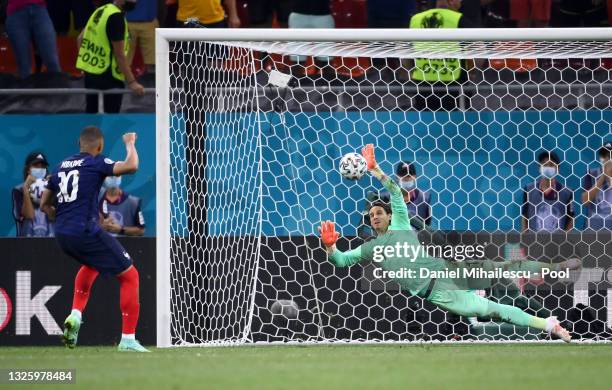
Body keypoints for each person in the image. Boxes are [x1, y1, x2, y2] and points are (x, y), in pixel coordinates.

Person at [319, 144, 574, 342]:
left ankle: (556, 267)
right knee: (496, 310)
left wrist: (376, 171)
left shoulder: (401, 224)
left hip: (450, 270)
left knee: (505, 267)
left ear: (390, 215)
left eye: (379, 213)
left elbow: (396, 192)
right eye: (371, 215)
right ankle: (551, 326)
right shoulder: (371, 247)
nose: (374, 217)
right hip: (440, 293)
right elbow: (341, 261)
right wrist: (330, 247)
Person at [40, 126, 148, 352]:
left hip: (62, 234)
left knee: (92, 264)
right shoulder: (96, 162)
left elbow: (45, 205)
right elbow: (132, 166)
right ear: (98, 147)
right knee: (130, 276)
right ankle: (128, 339)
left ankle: (75, 314)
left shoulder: (60, 167)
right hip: (85, 230)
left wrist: (59, 215)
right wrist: (129, 143)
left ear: (79, 144)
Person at [76, 0, 145, 113]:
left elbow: (80, 38)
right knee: (110, 119)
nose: (134, 1)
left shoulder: (101, 10)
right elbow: (120, 55)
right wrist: (132, 82)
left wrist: (86, 65)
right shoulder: (116, 18)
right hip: (109, 78)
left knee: (91, 117)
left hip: (91, 74)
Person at [407, 0, 476, 111]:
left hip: (423, 83)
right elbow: (476, 47)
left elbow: (406, 50)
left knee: (426, 122)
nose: (461, 3)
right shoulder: (458, 18)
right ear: (451, 1)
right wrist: (473, 72)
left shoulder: (416, 18)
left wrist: (409, 71)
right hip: (454, 84)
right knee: (457, 122)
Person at [5, 0, 61, 79]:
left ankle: (59, 88)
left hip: (40, 9)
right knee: (24, 67)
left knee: (52, 60)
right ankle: (26, 90)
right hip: (16, 11)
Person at [521, 151, 574, 232]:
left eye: (551, 165)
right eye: (544, 165)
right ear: (539, 168)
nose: (548, 167)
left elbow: (570, 219)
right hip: (534, 242)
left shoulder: (567, 192)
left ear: (558, 169)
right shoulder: (529, 189)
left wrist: (565, 241)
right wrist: (524, 241)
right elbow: (524, 217)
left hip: (558, 242)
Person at [12, 151, 55, 237]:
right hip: (27, 242)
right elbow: (29, 215)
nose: (40, 169)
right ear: (28, 169)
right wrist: (26, 189)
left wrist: (51, 189)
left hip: (50, 241)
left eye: (43, 167)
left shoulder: (53, 189)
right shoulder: (18, 190)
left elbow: (52, 216)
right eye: (36, 166)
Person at [581, 141, 612, 230]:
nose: (606, 159)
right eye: (603, 155)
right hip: (594, 230)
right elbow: (584, 201)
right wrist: (603, 176)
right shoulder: (591, 173)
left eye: (610, 155)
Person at [126, 0, 157, 75]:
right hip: (127, 21)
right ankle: (124, 76)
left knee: (153, 56)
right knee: (125, 53)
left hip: (149, 22)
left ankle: (152, 78)